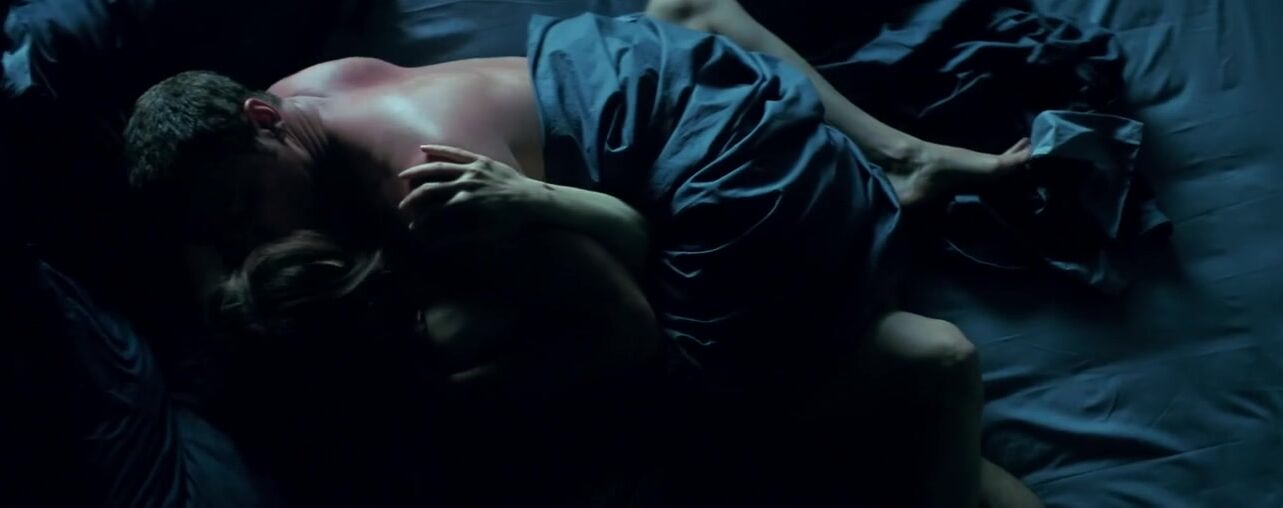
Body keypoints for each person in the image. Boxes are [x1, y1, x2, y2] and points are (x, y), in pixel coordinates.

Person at [122, 0, 1041, 506]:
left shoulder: (425, 181)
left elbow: (627, 327)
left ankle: (914, 363)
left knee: (689, 403)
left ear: (263, 120)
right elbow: (219, 228)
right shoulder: (303, 93)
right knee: (688, 10)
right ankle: (900, 157)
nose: (258, 238)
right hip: (660, 67)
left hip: (741, 183)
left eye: (248, 211)